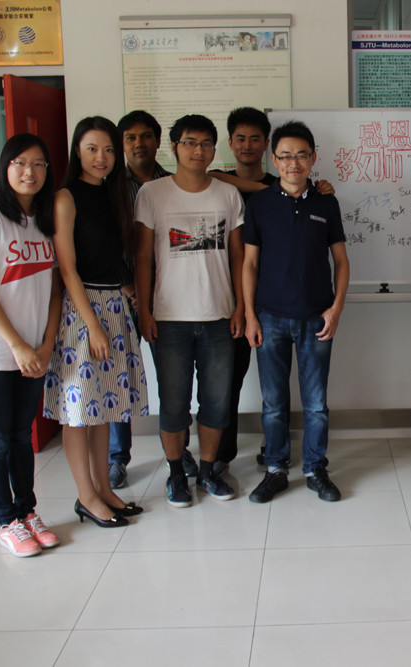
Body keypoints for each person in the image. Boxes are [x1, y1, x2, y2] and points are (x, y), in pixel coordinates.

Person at [0, 133, 63, 557]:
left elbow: (54, 290)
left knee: (22, 435)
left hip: (33, 351)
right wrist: (18, 345)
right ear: (6, 167)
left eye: (38, 164)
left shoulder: (44, 219)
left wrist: (45, 344)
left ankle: (27, 511)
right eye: (20, 162)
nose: (29, 172)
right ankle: (7, 521)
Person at [135, 114, 245, 508]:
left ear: (215, 149)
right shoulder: (152, 193)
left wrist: (240, 307)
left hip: (218, 317)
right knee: (174, 403)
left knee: (217, 401)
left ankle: (209, 471)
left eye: (206, 144)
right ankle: (176, 474)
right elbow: (143, 257)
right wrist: (145, 310)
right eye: (190, 143)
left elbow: (238, 256)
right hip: (169, 319)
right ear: (174, 147)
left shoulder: (228, 194)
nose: (198, 151)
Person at [43, 116, 145, 528]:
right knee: (78, 409)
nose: (101, 157)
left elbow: (112, 257)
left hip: (114, 305)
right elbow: (67, 269)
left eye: (108, 150)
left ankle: (104, 489)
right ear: (77, 151)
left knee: (104, 405)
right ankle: (86, 496)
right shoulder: (66, 197)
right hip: (82, 309)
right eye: (92, 149)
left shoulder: (115, 194)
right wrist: (93, 325)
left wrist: (126, 292)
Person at [242, 121, 350, 503]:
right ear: (274, 160)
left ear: (313, 158)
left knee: (316, 403)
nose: (293, 163)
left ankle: (315, 468)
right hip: (269, 317)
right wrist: (250, 315)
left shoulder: (327, 203)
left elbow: (341, 261)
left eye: (301, 155)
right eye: (285, 156)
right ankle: (275, 469)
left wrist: (336, 308)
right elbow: (249, 264)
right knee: (273, 403)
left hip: (316, 317)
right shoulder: (259, 204)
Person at [107, 110, 198, 489]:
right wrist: (129, 287)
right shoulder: (110, 187)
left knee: (173, 379)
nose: (139, 143)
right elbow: (103, 243)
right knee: (118, 376)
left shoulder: (171, 182)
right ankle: (117, 456)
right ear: (121, 143)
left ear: (159, 141)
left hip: (168, 298)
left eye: (146, 136)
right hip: (122, 296)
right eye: (130, 137)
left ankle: (179, 450)